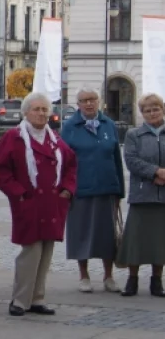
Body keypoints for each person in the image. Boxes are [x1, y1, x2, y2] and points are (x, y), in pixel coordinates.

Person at [0, 93, 77, 316]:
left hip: (52, 204)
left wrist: (67, 190)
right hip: (29, 203)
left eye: (44, 109)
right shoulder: (14, 137)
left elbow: (71, 165)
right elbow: (1, 171)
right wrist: (19, 194)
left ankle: (37, 298)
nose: (41, 113)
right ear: (26, 112)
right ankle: (20, 300)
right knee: (30, 252)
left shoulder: (54, 138)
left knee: (46, 253)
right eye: (36, 109)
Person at [61, 87, 124, 294]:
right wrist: (65, 188)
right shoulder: (70, 127)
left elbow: (116, 159)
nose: (89, 103)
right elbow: (63, 161)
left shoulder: (109, 125)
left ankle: (108, 276)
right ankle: (84, 276)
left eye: (92, 99)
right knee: (81, 233)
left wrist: (120, 191)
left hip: (107, 188)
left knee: (108, 235)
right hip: (80, 190)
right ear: (78, 104)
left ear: (99, 101)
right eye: (84, 100)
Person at [119, 94, 165, 297]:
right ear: (142, 113)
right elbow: (131, 160)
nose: (152, 113)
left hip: (163, 197)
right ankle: (132, 280)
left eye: (156, 109)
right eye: (148, 110)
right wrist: (155, 172)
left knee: (160, 242)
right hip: (142, 195)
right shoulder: (133, 134)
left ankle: (157, 281)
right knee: (135, 241)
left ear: (162, 110)